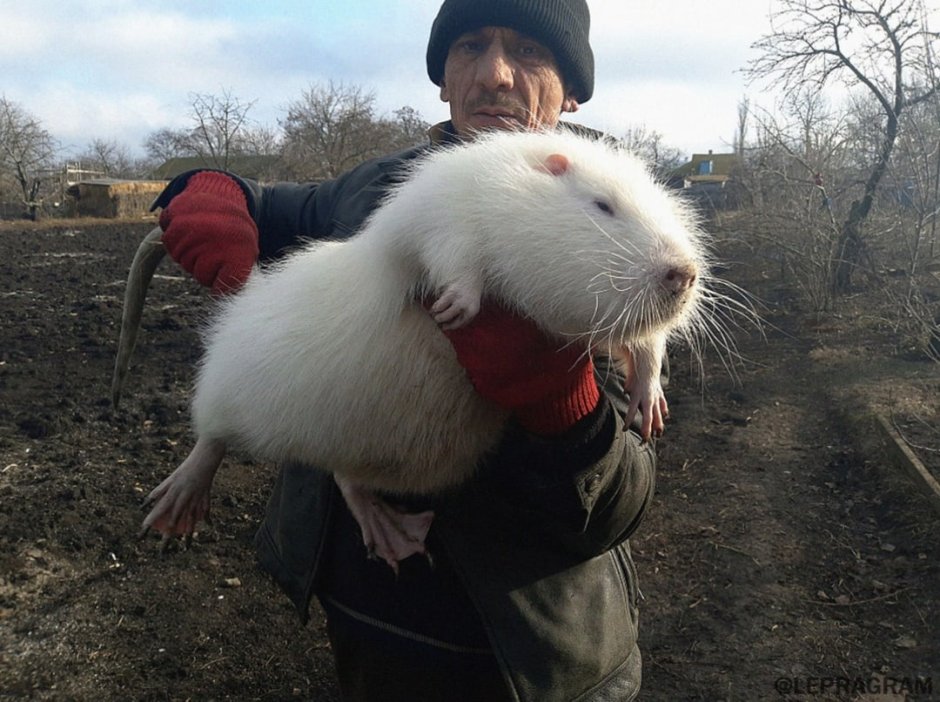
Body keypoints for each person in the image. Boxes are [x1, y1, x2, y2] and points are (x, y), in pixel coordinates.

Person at [142, 1, 656, 700]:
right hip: (367, 614)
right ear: (443, 78)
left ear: (570, 92)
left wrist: (559, 402)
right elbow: (269, 204)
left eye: (530, 53)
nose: (496, 74)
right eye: (471, 46)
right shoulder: (374, 187)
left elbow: (619, 504)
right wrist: (210, 189)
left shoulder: (617, 217)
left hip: (528, 658)